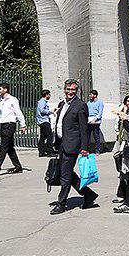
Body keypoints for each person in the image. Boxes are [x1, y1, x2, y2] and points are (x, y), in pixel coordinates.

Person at [50, 79, 97, 214]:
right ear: (64, 90)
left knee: (65, 175)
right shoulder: (62, 104)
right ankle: (88, 194)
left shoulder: (80, 105)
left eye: (73, 90)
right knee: (67, 173)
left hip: (72, 145)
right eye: (68, 89)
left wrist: (84, 147)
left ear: (77, 91)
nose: (70, 92)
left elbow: (84, 128)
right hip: (61, 143)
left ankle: (61, 203)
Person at [0, 82, 27, 175]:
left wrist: (23, 124)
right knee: (10, 148)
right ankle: (18, 167)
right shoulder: (1, 101)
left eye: (0, 89)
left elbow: (18, 112)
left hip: (10, 125)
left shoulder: (12, 100)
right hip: (3, 125)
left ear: (5, 89)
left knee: (3, 147)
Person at [112, 94, 129, 204]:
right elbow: (117, 127)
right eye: (128, 101)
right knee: (122, 171)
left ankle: (125, 195)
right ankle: (121, 194)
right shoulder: (121, 113)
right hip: (121, 143)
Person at [36, 90, 54, 157]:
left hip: (42, 121)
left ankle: (42, 151)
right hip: (44, 121)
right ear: (46, 95)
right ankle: (49, 151)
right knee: (50, 136)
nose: (50, 96)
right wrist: (50, 112)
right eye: (49, 94)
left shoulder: (42, 102)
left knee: (43, 137)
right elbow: (42, 110)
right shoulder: (42, 101)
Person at [86, 90, 104, 154]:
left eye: (91, 95)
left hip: (96, 121)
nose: (90, 96)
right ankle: (87, 150)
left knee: (96, 136)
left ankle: (97, 150)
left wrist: (95, 119)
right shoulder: (89, 103)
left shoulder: (100, 102)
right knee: (87, 136)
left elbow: (100, 113)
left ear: (95, 95)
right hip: (89, 120)